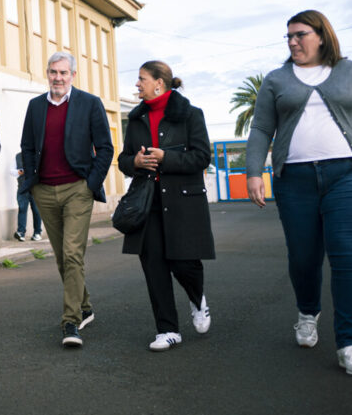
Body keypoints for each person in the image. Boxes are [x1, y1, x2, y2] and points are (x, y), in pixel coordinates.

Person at [246, 9, 352, 376]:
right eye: (288, 36)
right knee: (303, 258)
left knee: (347, 257)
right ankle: (307, 312)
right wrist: (253, 172)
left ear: (321, 35)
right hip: (294, 180)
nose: (292, 42)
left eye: (299, 34)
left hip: (347, 177)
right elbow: (261, 129)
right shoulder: (276, 79)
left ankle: (349, 343)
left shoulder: (351, 72)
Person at [118, 61, 215, 352]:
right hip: (147, 203)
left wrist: (166, 158)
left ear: (159, 83)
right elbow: (123, 159)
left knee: (184, 262)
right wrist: (135, 162)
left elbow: (202, 157)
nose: (137, 84)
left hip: (183, 201)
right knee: (154, 266)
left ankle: (197, 299)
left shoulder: (191, 114)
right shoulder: (136, 119)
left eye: (142, 79)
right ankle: (168, 330)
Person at [19, 52, 113, 348]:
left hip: (77, 190)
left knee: (72, 253)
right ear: (47, 73)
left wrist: (90, 185)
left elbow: (105, 148)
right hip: (45, 191)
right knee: (62, 256)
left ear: (73, 75)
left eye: (63, 72)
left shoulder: (89, 103)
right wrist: (31, 181)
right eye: (53, 72)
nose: (57, 77)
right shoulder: (36, 106)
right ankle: (85, 306)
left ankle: (70, 321)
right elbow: (27, 146)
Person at [14, 152, 43, 241]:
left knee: (36, 210)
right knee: (22, 209)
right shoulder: (18, 156)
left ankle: (37, 233)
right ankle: (21, 233)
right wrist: (18, 172)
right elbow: (11, 170)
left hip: (35, 188)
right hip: (22, 187)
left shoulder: (37, 155)